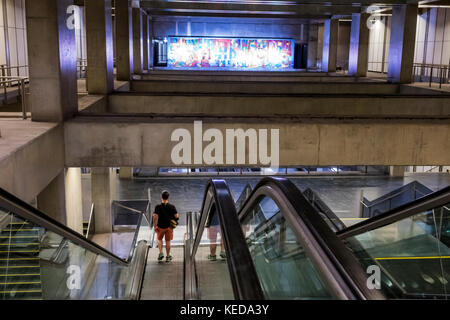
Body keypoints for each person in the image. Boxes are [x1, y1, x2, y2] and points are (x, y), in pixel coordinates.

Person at [153, 190, 179, 263]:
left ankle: (161, 253)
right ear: (168, 197)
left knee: (159, 239)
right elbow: (176, 216)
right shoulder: (172, 207)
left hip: (160, 226)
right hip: (169, 227)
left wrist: (155, 226)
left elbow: (155, 217)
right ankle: (168, 256)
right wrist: (174, 221)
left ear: (161, 197)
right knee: (168, 241)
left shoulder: (158, 207)